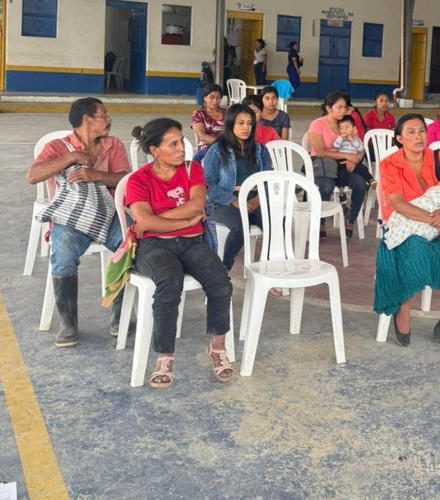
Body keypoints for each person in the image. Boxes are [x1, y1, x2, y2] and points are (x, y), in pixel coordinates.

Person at [127, 118, 234, 388]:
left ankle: (218, 347)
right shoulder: (138, 180)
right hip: (154, 246)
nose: (181, 149)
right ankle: (165, 356)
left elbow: (197, 205)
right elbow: (145, 224)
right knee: (169, 283)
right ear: (154, 150)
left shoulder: (192, 169)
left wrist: (160, 218)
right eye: (172, 144)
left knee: (220, 280)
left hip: (191, 242)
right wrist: (183, 220)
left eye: (180, 142)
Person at [27, 97, 130, 347]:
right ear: (87, 119)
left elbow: (126, 179)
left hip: (108, 213)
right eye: (103, 115)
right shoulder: (58, 146)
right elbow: (33, 175)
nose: (109, 120)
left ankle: (120, 318)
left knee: (128, 247)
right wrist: (71, 157)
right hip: (71, 218)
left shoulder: (112, 145)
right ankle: (68, 323)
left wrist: (95, 175)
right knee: (62, 253)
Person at [373, 114, 440, 347]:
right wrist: (435, 222)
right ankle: (404, 307)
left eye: (421, 131)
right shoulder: (390, 164)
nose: (418, 136)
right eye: (411, 132)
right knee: (413, 248)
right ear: (399, 138)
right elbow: (397, 203)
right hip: (409, 221)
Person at [203, 104, 273, 271]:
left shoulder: (259, 149)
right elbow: (208, 184)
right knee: (241, 225)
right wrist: (233, 200)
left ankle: (271, 269)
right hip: (224, 200)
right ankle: (224, 269)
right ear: (230, 124)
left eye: (249, 123)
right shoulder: (217, 150)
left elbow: (269, 178)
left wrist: (258, 199)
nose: (246, 128)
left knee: (275, 224)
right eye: (240, 123)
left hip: (255, 198)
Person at [306, 91, 368, 239]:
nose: (343, 110)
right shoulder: (317, 124)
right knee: (326, 187)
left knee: (360, 184)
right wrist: (346, 155)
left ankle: (350, 219)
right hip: (323, 162)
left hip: (344, 165)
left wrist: (355, 160)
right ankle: (320, 222)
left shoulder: (347, 123)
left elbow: (359, 147)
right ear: (328, 108)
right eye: (339, 107)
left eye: (344, 107)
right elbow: (320, 151)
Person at [333, 115, 374, 204]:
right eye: (341, 128)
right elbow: (335, 146)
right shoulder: (340, 139)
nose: (344, 130)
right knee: (342, 174)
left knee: (362, 168)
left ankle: (370, 181)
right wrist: (340, 138)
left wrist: (353, 140)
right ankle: (342, 192)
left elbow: (360, 149)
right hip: (342, 161)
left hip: (354, 161)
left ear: (353, 128)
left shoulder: (356, 139)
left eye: (347, 127)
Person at [191, 83, 225, 161]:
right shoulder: (199, 114)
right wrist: (224, 143)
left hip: (226, 148)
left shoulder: (227, 113)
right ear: (205, 98)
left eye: (218, 98)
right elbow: (202, 136)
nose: (215, 101)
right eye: (212, 97)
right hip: (207, 149)